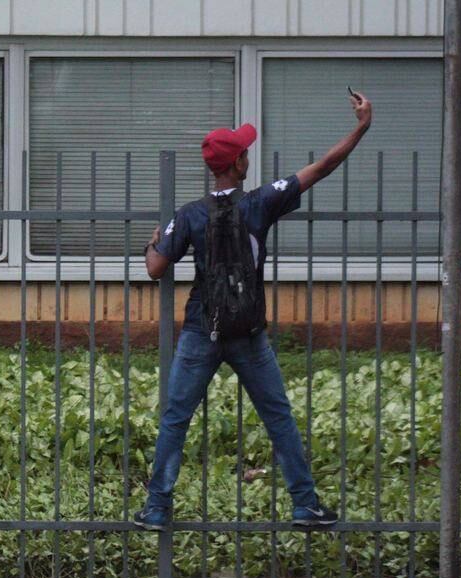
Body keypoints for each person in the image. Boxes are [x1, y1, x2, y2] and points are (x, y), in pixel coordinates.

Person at [135, 91, 374, 532]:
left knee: (176, 418)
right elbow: (322, 168)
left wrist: (152, 241)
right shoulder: (259, 202)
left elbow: (154, 268)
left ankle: (156, 508)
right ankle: (305, 505)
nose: (248, 156)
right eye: (244, 152)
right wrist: (361, 127)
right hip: (248, 332)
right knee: (277, 416)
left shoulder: (189, 215)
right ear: (237, 165)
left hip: (199, 331)